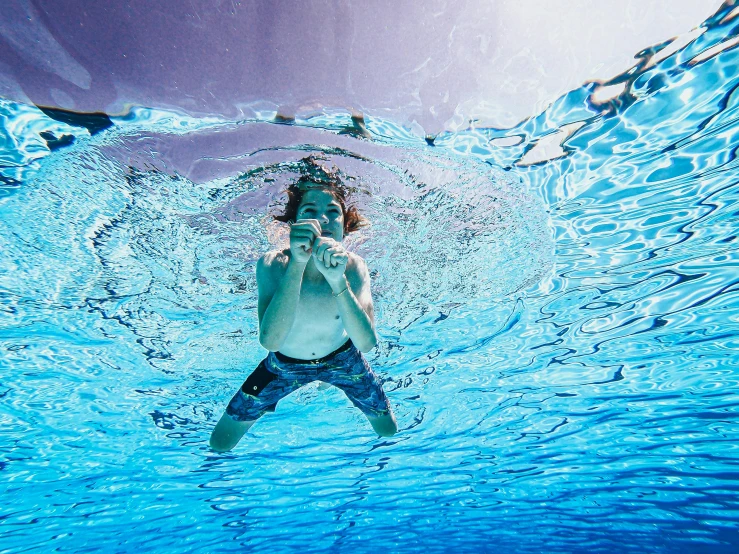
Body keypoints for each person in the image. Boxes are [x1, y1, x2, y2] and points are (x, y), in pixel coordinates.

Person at [209, 157, 397, 452]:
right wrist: (297, 263)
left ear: (345, 228)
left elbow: (366, 343)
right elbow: (270, 340)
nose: (322, 220)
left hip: (343, 360)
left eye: (333, 212)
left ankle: (324, 381)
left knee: (388, 430)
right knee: (220, 442)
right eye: (310, 211)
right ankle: (314, 383)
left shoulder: (354, 268)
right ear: (295, 224)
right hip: (283, 366)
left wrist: (338, 282)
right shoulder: (273, 265)